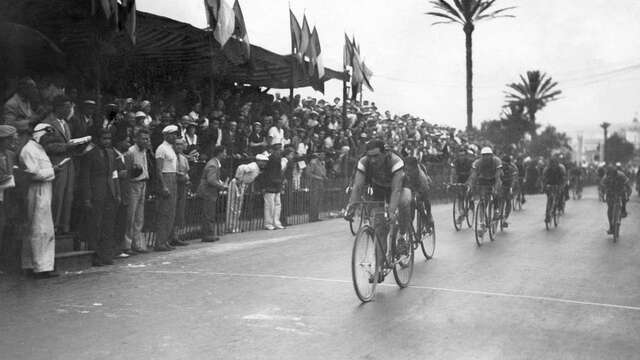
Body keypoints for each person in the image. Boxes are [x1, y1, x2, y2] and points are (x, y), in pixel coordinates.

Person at [345, 139, 412, 283]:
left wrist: (392, 211)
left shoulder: (395, 161)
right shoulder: (364, 162)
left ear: (385, 153)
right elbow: (357, 187)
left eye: (376, 156)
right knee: (380, 227)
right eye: (370, 156)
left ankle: (403, 235)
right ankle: (379, 268)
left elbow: (396, 189)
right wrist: (351, 207)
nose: (373, 160)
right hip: (379, 189)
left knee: (405, 202)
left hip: (398, 187)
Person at [20, 123, 58, 278]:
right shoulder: (28, 150)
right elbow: (33, 174)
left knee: (42, 228)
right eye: (47, 136)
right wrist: (53, 171)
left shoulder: (40, 149)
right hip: (36, 191)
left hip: (45, 189)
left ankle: (37, 264)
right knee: (39, 229)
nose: (49, 140)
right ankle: (39, 267)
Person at [79, 130, 121, 266]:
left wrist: (117, 193)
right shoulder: (89, 155)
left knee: (108, 225)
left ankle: (106, 255)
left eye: (109, 138)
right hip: (96, 193)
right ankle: (95, 255)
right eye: (104, 138)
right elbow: (85, 177)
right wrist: (87, 198)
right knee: (95, 225)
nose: (107, 141)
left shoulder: (111, 153)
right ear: (98, 139)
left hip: (110, 193)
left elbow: (114, 174)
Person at [40, 95, 77, 234]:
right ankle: (53, 226)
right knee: (57, 195)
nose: (69, 110)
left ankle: (63, 226)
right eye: (67, 107)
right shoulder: (48, 123)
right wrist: (66, 147)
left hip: (68, 163)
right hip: (57, 163)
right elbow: (46, 145)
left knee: (68, 195)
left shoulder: (65, 123)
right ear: (58, 107)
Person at [124, 129, 151, 253]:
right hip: (133, 184)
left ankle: (137, 244)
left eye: (147, 138)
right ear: (136, 139)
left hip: (143, 183)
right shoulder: (131, 152)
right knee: (131, 215)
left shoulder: (145, 151)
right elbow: (128, 172)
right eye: (143, 138)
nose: (146, 141)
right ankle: (127, 245)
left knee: (139, 216)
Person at [154, 125, 180, 251]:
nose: (175, 136)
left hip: (173, 178)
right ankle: (160, 242)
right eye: (172, 134)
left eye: (176, 134)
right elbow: (159, 169)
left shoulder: (171, 148)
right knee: (164, 212)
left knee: (171, 212)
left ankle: (165, 240)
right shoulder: (161, 149)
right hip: (166, 179)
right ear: (166, 135)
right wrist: (163, 185)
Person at [226, 153, 267, 233]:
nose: (264, 163)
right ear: (258, 161)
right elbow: (241, 168)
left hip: (242, 185)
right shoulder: (253, 166)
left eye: (265, 162)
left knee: (238, 208)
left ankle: (234, 226)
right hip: (237, 183)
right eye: (263, 161)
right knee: (232, 207)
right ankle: (230, 227)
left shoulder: (257, 168)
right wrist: (239, 179)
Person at [197, 146, 228, 242]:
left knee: (209, 212)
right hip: (208, 192)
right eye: (224, 152)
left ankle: (209, 233)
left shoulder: (214, 163)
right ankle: (207, 234)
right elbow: (211, 180)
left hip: (209, 192)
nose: (226, 154)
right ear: (220, 153)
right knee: (208, 213)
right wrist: (222, 186)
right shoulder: (213, 165)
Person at [0, 125, 16, 260]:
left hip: (7, 198)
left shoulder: (10, 154)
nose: (12, 142)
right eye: (9, 139)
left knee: (4, 227)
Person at [601, 165, 632, 235]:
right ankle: (611, 227)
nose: (612, 177)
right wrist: (603, 196)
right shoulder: (605, 178)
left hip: (620, 191)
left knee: (624, 198)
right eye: (610, 176)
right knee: (610, 209)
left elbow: (628, 186)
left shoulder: (621, 176)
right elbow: (602, 188)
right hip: (610, 193)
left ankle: (623, 210)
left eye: (613, 175)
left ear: (616, 173)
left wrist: (628, 194)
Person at [172, 138, 190, 247]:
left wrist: (186, 177)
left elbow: (187, 172)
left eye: (180, 144)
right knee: (172, 210)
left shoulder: (183, 158)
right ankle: (169, 237)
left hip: (182, 186)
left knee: (180, 211)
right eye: (176, 144)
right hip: (174, 185)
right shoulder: (171, 157)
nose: (179, 146)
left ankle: (176, 236)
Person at [263, 142, 285, 230]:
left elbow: (279, 172)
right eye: (277, 150)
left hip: (277, 183)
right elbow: (268, 173)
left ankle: (276, 222)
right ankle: (268, 223)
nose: (279, 152)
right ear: (273, 151)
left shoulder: (278, 159)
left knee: (277, 204)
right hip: (270, 184)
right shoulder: (270, 159)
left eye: (280, 150)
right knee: (270, 205)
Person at [542, 157, 566, 223]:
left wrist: (561, 185)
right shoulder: (547, 169)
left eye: (554, 163)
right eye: (552, 164)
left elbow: (562, 178)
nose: (553, 165)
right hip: (549, 185)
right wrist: (544, 186)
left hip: (557, 185)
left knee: (557, 197)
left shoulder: (560, 169)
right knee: (549, 199)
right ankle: (547, 216)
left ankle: (558, 206)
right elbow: (544, 178)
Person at [306, 152, 328, 222]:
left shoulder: (322, 163)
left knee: (319, 200)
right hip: (314, 183)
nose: (323, 156)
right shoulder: (313, 162)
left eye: (324, 155)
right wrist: (318, 177)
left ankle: (316, 216)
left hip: (321, 183)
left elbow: (322, 172)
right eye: (321, 155)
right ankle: (312, 217)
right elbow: (309, 173)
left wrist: (324, 177)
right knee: (314, 200)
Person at [499, 155, 519, 228]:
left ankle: (505, 218)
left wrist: (511, 188)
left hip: (509, 186)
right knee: (498, 199)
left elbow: (514, 179)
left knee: (508, 201)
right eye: (502, 164)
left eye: (505, 164)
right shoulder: (498, 168)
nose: (504, 165)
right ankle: (497, 212)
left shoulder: (512, 169)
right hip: (500, 185)